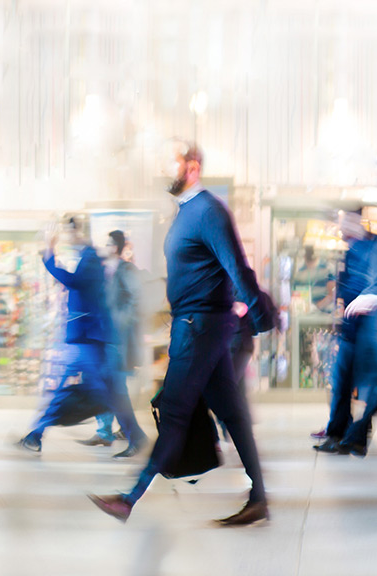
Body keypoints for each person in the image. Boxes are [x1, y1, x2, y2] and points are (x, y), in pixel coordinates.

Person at [89, 142, 276, 526]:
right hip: (197, 326)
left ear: (192, 166)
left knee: (173, 411)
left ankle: (129, 499)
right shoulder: (186, 213)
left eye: (169, 160)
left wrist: (259, 316)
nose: (163, 167)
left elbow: (236, 268)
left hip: (200, 328)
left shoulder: (208, 211)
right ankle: (259, 499)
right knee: (234, 415)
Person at [19, 216, 120, 453]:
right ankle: (35, 435)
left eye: (68, 232)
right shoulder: (86, 256)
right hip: (81, 339)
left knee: (105, 393)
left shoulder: (91, 257)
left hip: (87, 340)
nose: (66, 237)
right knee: (76, 390)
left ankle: (132, 436)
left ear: (77, 232)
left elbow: (74, 282)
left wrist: (49, 252)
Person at [313, 210, 377, 448]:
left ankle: (353, 435)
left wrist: (372, 301)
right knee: (343, 382)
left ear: (357, 221)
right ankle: (340, 433)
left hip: (373, 332)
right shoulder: (352, 251)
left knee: (373, 390)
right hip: (353, 331)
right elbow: (345, 287)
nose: (341, 231)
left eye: (345, 223)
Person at [78, 230, 148, 458]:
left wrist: (120, 319)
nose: (106, 247)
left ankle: (135, 437)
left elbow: (137, 299)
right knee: (105, 387)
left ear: (117, 246)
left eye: (109, 243)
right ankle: (105, 432)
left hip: (117, 340)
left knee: (116, 390)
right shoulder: (105, 270)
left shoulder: (126, 269)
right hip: (103, 337)